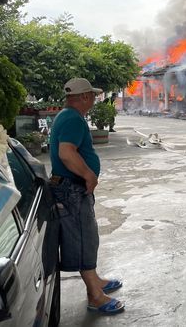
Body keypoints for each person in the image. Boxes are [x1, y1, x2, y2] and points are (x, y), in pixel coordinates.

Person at [49, 78, 125, 315]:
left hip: (70, 187)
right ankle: (95, 296)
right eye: (92, 95)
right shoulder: (72, 118)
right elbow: (66, 153)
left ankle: (96, 282)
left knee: (87, 238)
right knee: (83, 239)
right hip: (72, 188)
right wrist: (89, 175)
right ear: (83, 97)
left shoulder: (68, 116)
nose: (94, 99)